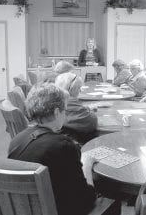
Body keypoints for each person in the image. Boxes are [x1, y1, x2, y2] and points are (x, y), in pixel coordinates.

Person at [8, 83, 97, 215]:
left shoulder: (17, 139)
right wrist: (87, 166)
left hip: (24, 207)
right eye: (64, 111)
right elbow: (85, 201)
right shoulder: (63, 146)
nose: (65, 116)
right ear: (56, 112)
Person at [55, 72, 98, 144]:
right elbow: (91, 121)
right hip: (74, 145)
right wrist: (89, 111)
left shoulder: (56, 98)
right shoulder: (70, 101)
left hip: (58, 141)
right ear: (71, 89)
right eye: (78, 88)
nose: (80, 91)